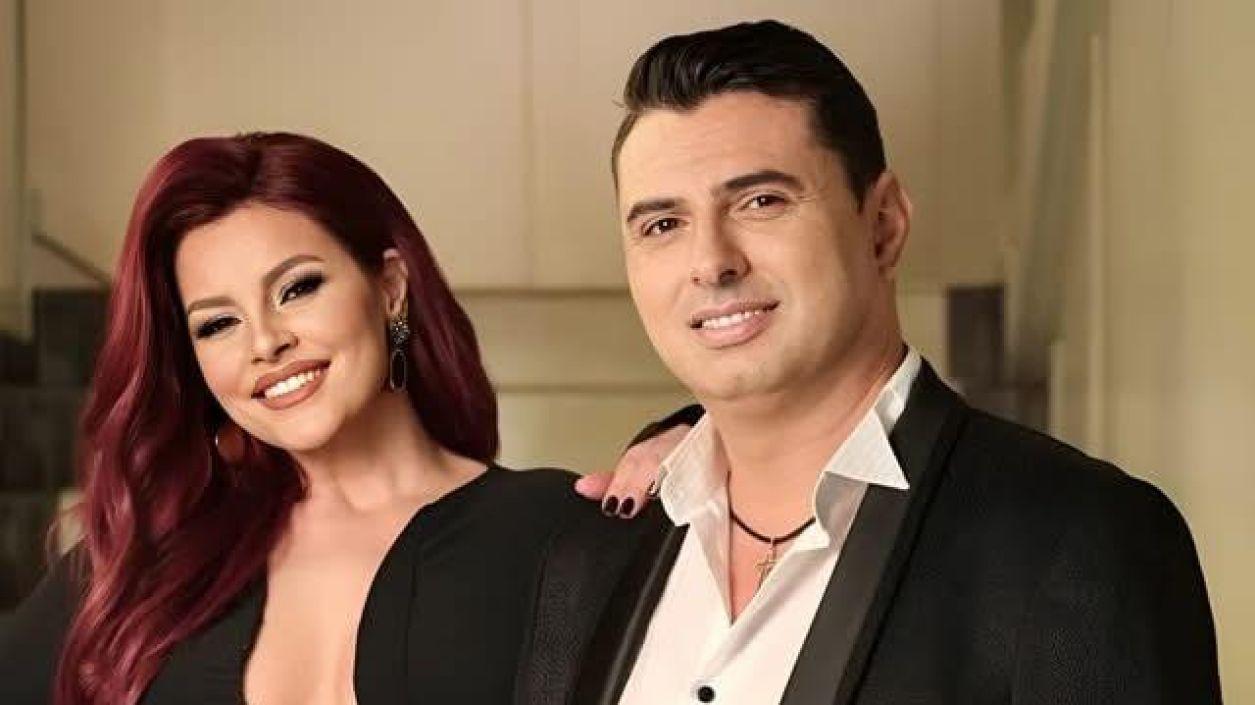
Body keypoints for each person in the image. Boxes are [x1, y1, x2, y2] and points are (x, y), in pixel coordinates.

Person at [517, 20, 1222, 705]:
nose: (711, 262)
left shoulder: (1078, 538)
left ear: (882, 225)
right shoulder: (590, 558)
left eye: (761, 201)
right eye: (663, 224)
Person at [0, 132, 674, 705]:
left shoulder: (555, 533)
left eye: (297, 287)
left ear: (390, 288)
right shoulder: (145, 564)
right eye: (217, 324)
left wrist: (702, 438)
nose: (265, 342)